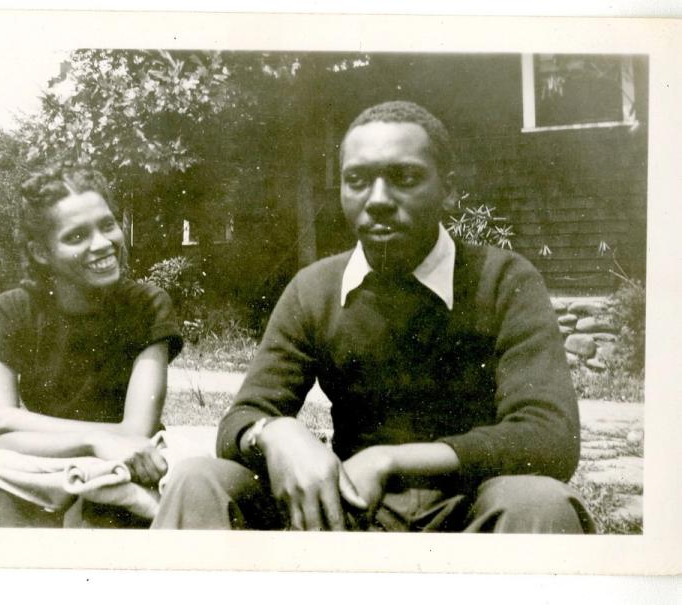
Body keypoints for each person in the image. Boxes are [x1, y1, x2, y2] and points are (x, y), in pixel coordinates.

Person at [152, 101, 593, 533]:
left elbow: (548, 437)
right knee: (199, 480)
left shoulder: (501, 281)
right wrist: (273, 432)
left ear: (449, 187)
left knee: (540, 503)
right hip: (347, 510)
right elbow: (241, 418)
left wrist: (389, 459)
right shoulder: (314, 289)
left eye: (405, 177)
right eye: (358, 179)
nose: (378, 199)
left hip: (473, 509)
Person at [0, 163, 183, 527]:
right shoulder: (11, 310)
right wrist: (91, 440)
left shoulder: (147, 306)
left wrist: (10, 418)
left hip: (124, 467)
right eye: (76, 237)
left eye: (107, 225)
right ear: (42, 252)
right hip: (43, 466)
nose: (103, 244)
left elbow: (135, 434)